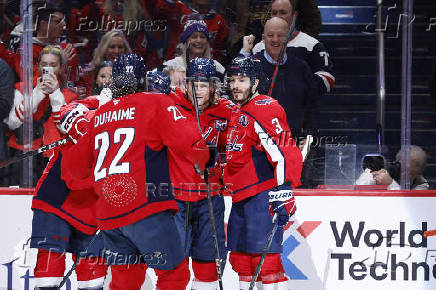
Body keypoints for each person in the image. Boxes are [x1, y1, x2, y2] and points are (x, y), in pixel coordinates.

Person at [61, 53, 211, 290]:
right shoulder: (154, 103)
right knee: (174, 274)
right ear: (143, 80)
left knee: (124, 282)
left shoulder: (98, 116)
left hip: (109, 216)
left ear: (114, 81)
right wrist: (204, 160)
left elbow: (73, 172)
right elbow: (192, 143)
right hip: (146, 209)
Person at [224, 56, 303, 289]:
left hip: (261, 195)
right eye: (232, 80)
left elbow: (284, 151)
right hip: (241, 197)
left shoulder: (265, 108)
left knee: (266, 261)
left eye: (242, 80)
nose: (235, 85)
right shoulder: (238, 110)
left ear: (256, 82)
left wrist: (283, 191)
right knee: (241, 259)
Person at [155, 58, 231, 289]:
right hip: (175, 198)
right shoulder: (170, 104)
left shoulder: (226, 112)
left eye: (203, 85)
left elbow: (238, 148)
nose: (197, 90)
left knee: (208, 263)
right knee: (173, 265)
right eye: (193, 84)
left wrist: (222, 168)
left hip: (210, 198)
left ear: (213, 87)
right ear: (185, 85)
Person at [3, 45, 78, 185]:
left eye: (53, 65)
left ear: (61, 68)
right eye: (44, 64)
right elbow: (12, 123)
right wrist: (37, 93)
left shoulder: (70, 97)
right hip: (21, 156)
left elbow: (65, 128)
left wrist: (55, 94)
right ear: (38, 66)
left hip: (53, 157)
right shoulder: (21, 88)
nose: (48, 69)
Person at [242, 0, 334, 95]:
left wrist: (299, 89)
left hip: (299, 106)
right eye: (274, 13)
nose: (278, 16)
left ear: (294, 15)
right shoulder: (259, 47)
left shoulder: (311, 45)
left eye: (283, 12)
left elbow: (327, 80)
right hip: (266, 106)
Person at [163, 19, 225, 89]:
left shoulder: (216, 67)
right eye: (194, 37)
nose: (199, 40)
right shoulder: (173, 65)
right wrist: (171, 72)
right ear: (186, 41)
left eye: (202, 37)